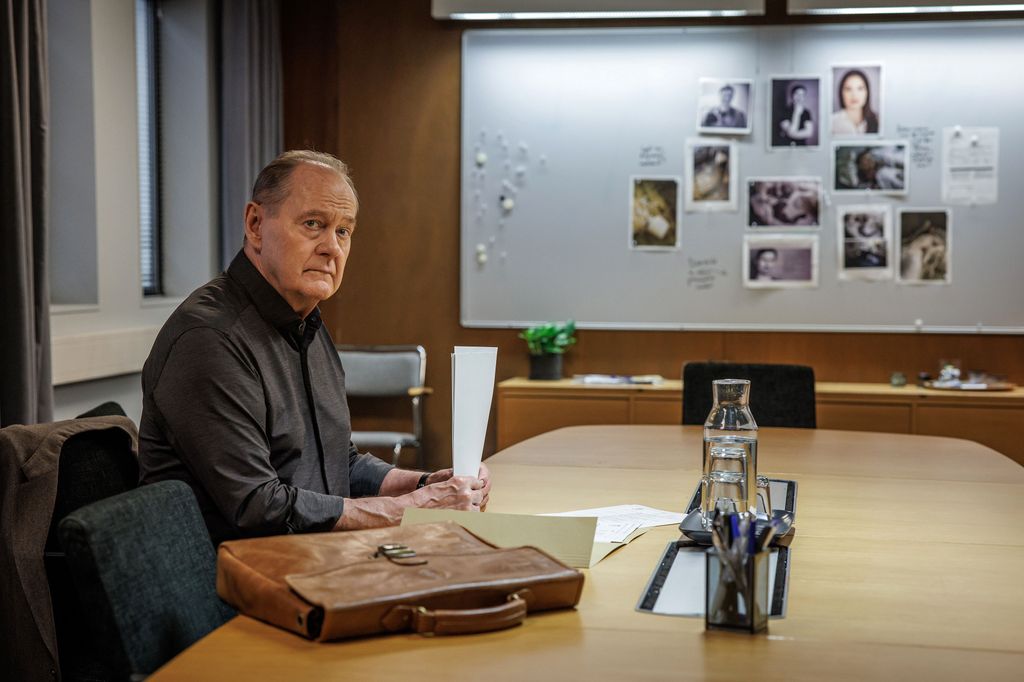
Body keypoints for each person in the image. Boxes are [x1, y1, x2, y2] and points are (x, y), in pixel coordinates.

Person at [139, 150, 490, 544]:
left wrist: (427, 483)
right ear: (256, 224)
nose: (332, 248)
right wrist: (414, 508)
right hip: (241, 581)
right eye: (313, 224)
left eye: (343, 231)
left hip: (316, 554)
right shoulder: (209, 339)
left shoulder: (307, 321)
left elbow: (339, 463)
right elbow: (259, 507)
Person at [830, 69, 879, 136]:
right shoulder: (832, 122)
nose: (854, 95)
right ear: (841, 93)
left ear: (867, 92)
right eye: (848, 89)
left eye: (860, 88)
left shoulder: (878, 121)